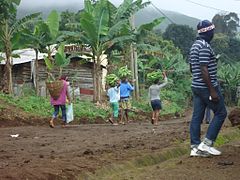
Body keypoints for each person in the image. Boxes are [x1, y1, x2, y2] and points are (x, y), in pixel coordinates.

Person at [189, 20, 227, 157]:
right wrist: (212, 90)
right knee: (221, 113)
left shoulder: (194, 45)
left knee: (197, 117)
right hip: (207, 87)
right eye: (213, 31)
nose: (213, 33)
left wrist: (198, 81)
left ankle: (195, 147)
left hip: (196, 86)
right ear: (209, 32)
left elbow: (192, 68)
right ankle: (206, 144)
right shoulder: (204, 46)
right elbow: (204, 69)